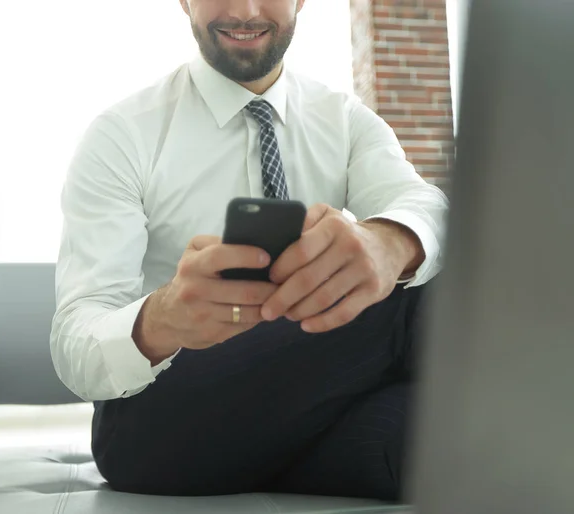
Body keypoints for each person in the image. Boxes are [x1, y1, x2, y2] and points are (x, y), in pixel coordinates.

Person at [50, 0, 448, 502]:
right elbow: (73, 340)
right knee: (426, 297)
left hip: (303, 405)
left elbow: (422, 204)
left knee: (437, 438)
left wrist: (389, 241)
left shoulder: (343, 119)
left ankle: (272, 456)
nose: (245, 10)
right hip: (159, 422)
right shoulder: (124, 134)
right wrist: (162, 318)